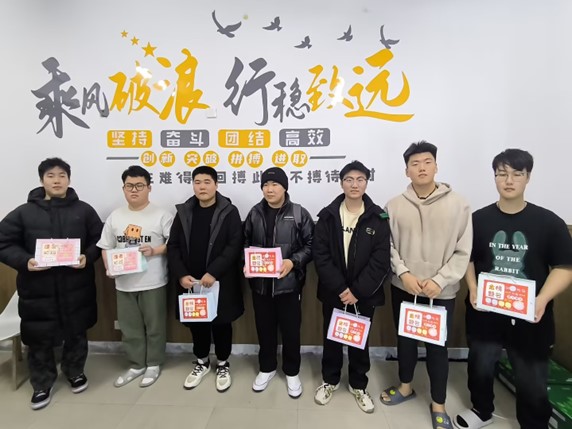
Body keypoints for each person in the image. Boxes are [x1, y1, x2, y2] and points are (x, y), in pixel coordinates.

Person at [454, 149, 572, 429]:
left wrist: (542, 299)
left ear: (528, 177)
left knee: (532, 372)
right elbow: (466, 258)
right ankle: (481, 410)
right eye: (502, 174)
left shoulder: (548, 222)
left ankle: (533, 422)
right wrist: (473, 288)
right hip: (485, 310)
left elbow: (564, 267)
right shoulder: (478, 220)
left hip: (531, 313)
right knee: (480, 363)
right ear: (494, 177)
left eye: (517, 174)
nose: (509, 180)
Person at [382, 141, 472, 429]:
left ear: (436, 166)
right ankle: (405, 387)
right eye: (415, 164)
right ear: (406, 171)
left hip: (441, 292)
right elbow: (387, 245)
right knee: (405, 341)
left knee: (437, 348)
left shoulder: (459, 204)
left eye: (427, 162)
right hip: (404, 287)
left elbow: (463, 250)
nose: (421, 168)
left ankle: (439, 404)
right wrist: (404, 274)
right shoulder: (393, 205)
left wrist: (440, 280)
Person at [0, 157, 102, 410]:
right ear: (41, 180)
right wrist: (26, 261)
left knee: (77, 332)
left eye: (61, 176)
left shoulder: (84, 210)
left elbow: (100, 240)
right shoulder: (23, 212)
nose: (57, 181)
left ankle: (75, 371)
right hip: (38, 288)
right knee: (39, 337)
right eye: (51, 176)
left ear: (69, 179)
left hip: (76, 286)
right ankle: (41, 383)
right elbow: (3, 243)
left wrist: (87, 256)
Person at [312, 160, 391, 413]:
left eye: (360, 179)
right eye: (349, 179)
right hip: (334, 292)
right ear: (341, 183)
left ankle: (358, 385)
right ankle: (330, 380)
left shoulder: (378, 217)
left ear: (366, 183)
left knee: (359, 340)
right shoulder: (328, 215)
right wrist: (340, 288)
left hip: (363, 295)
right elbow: (320, 255)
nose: (354, 184)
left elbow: (381, 259)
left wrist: (357, 291)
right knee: (332, 338)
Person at [168, 166, 244, 392]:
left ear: (216, 185)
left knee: (221, 323)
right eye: (197, 182)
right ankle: (202, 361)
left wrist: (213, 272)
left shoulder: (229, 211)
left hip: (220, 280)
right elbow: (173, 246)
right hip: (191, 282)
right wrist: (181, 274)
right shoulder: (184, 212)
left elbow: (234, 245)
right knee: (197, 323)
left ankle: (223, 363)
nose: (202, 187)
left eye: (207, 182)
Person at [97, 165, 173, 388]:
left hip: (153, 281)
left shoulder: (162, 215)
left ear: (149, 188)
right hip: (124, 282)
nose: (134, 190)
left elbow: (174, 244)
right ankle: (136, 364)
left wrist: (154, 250)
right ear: (123, 189)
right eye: (129, 186)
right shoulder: (115, 216)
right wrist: (108, 267)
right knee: (130, 327)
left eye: (139, 185)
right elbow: (105, 246)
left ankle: (154, 363)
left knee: (155, 326)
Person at [243, 167, 314, 398]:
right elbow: (244, 242)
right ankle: (267, 368)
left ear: (284, 187)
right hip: (260, 286)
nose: (269, 189)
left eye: (274, 184)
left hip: (289, 285)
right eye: (265, 185)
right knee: (264, 329)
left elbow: (312, 245)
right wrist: (246, 262)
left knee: (291, 330)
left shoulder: (299, 213)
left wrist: (293, 262)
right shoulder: (254, 213)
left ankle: (292, 371)